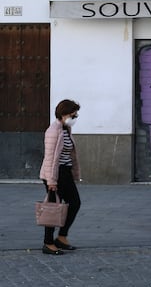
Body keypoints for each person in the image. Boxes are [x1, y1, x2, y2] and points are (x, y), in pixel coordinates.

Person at [39, 99, 81, 255]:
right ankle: (48, 243)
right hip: (55, 174)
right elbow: (50, 158)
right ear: (63, 114)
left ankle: (62, 238)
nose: (75, 117)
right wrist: (51, 181)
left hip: (65, 173)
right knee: (53, 208)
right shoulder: (53, 131)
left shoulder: (65, 129)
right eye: (73, 114)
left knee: (73, 203)